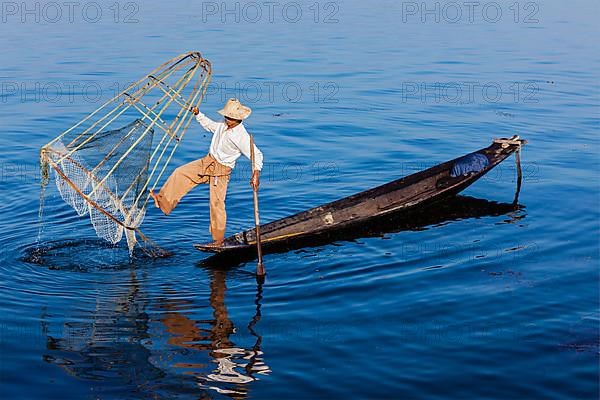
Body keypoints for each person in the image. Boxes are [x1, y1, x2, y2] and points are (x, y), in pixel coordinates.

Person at [150, 98, 263, 247]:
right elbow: (210, 126)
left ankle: (218, 240)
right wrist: (198, 114)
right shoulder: (223, 125)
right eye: (226, 116)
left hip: (220, 171)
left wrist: (256, 173)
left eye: (230, 117)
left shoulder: (241, 136)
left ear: (238, 118)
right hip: (207, 162)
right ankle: (164, 201)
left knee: (216, 204)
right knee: (180, 172)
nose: (227, 119)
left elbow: (257, 154)